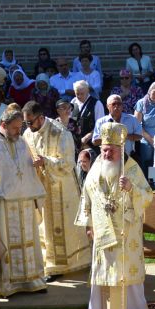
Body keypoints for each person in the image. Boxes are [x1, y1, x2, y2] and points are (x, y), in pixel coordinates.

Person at [76, 122, 150, 309]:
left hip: (126, 232)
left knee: (124, 270)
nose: (107, 154)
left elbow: (147, 196)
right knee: (103, 271)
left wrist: (131, 188)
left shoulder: (131, 169)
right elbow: (86, 196)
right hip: (102, 230)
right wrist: (89, 224)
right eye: (104, 150)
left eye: (111, 151)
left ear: (121, 149)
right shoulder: (97, 166)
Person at [0, 108, 49, 297]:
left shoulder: (21, 141)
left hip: (24, 201)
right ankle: (7, 284)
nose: (19, 131)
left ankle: (31, 279)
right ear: (3, 124)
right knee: (7, 243)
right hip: (3, 205)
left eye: (20, 127)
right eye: (15, 128)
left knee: (28, 241)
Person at [24, 102, 89, 278]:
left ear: (40, 117)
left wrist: (45, 161)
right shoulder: (28, 134)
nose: (28, 127)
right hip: (41, 188)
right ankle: (48, 262)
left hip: (63, 189)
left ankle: (63, 265)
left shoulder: (60, 132)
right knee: (44, 226)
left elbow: (68, 164)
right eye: (26, 123)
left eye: (30, 122)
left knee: (64, 228)